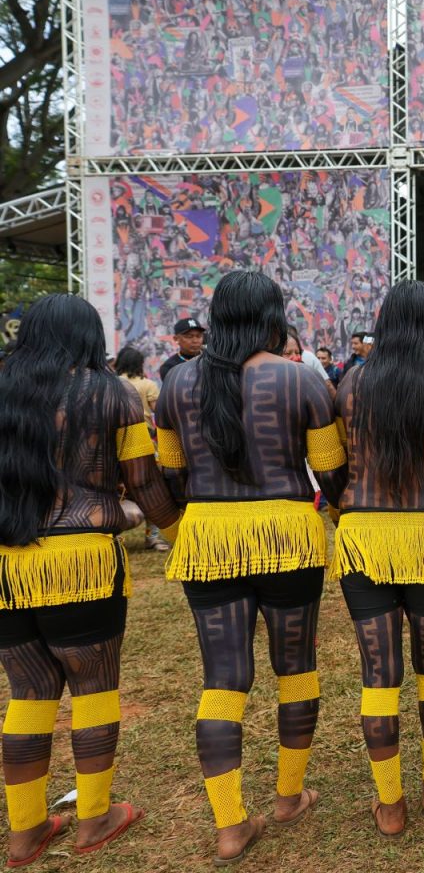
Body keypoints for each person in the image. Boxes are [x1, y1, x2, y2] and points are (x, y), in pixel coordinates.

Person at [156, 271, 346, 864]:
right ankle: (289, 797)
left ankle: (230, 824)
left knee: (223, 680)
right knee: (296, 667)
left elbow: (170, 472)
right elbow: (331, 472)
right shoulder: (300, 379)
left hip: (209, 538)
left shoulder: (176, 383)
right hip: (287, 535)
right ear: (272, 318)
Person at [0, 295, 181, 864]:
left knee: (28, 694)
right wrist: (181, 532)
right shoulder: (111, 394)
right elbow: (143, 482)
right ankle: (95, 817)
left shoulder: (5, 388)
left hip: (9, 565)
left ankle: (25, 831)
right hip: (83, 559)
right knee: (94, 689)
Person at [331, 282, 424, 835]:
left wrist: (347, 510)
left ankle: (390, 804)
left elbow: (333, 466)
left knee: (379, 673)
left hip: (365, 534)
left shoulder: (352, 384)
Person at [114, 347, 171, 554]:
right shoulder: (148, 384)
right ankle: (152, 538)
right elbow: (159, 410)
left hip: (116, 445)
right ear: (140, 363)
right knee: (151, 490)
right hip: (144, 444)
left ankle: (113, 537)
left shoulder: (113, 383)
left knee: (113, 491)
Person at [159, 316, 205, 381]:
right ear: (176, 339)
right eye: (189, 336)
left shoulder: (212, 360)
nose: (195, 341)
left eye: (199, 336)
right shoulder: (170, 367)